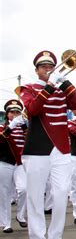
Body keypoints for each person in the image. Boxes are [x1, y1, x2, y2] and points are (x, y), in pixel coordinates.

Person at [19, 50, 76, 239]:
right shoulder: (28, 88)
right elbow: (33, 110)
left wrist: (64, 83)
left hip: (61, 148)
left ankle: (55, 238)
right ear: (37, 70)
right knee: (35, 196)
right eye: (43, 66)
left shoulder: (62, 89)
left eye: (51, 66)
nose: (48, 69)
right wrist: (49, 86)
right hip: (37, 148)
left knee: (60, 194)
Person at [0, 99, 28, 232]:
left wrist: (23, 126)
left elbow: (31, 140)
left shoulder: (24, 128)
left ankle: (20, 216)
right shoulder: (2, 127)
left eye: (17, 112)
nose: (15, 115)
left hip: (20, 163)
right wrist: (10, 127)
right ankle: (6, 223)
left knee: (24, 189)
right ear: (7, 114)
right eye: (12, 112)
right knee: (4, 193)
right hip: (5, 161)